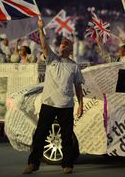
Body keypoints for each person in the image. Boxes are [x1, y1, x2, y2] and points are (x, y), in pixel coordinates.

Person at [23, 19, 84, 175]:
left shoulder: (74, 66)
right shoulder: (51, 58)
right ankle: (33, 163)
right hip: (48, 104)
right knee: (40, 135)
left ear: (71, 49)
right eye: (62, 43)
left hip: (66, 106)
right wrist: (40, 29)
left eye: (66, 43)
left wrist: (81, 105)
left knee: (66, 137)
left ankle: (67, 165)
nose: (63, 44)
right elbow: (43, 45)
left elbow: (78, 86)